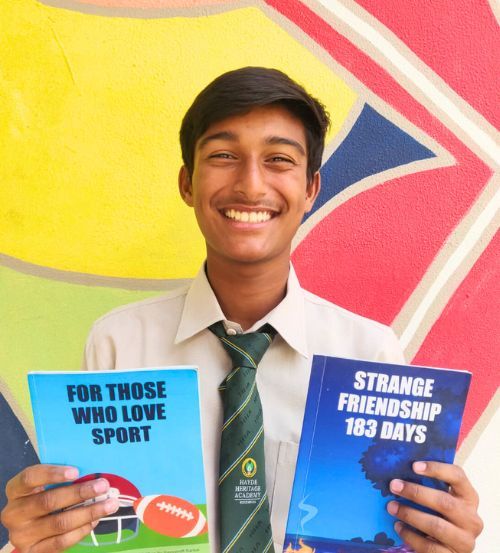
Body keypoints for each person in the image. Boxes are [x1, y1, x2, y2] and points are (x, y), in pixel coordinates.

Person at [1, 67, 482, 553]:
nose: (251, 186)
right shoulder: (118, 344)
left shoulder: (367, 354)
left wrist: (439, 540)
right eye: (224, 156)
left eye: (278, 159)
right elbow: (99, 535)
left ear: (311, 189)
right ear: (187, 183)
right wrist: (39, 540)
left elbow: (382, 537)